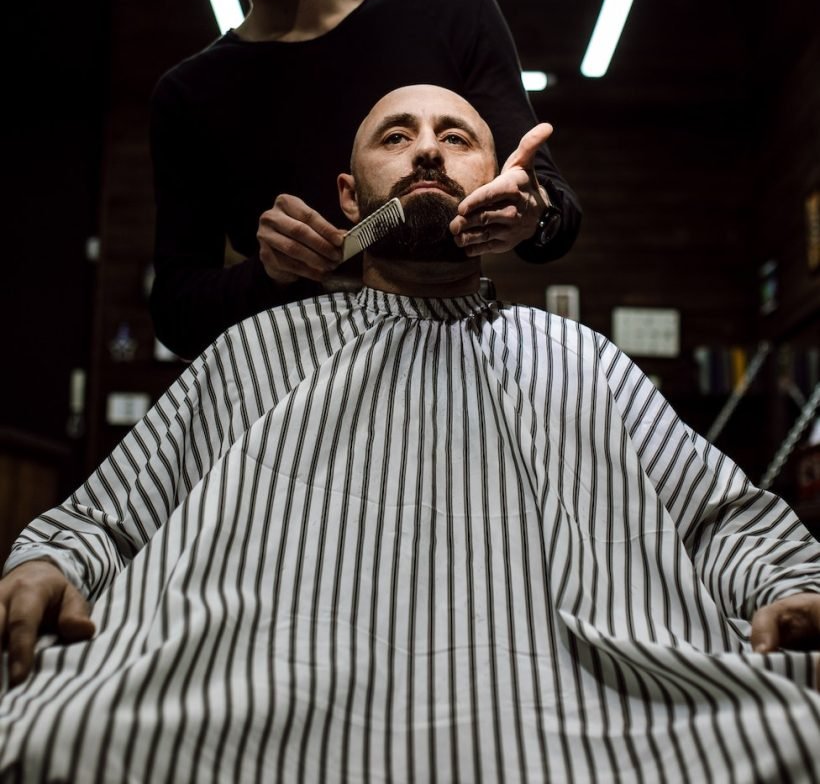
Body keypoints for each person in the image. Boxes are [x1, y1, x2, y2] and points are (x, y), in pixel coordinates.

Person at [1, 85, 818, 783]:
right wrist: (46, 563)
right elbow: (108, 518)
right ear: (350, 197)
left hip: (574, 700)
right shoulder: (256, 349)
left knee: (793, 729)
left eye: (455, 138)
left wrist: (791, 586)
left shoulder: (580, 359)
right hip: (253, 686)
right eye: (396, 137)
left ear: (501, 185)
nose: (427, 150)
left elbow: (718, 517)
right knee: (48, 731)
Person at [134, 0, 582, 360]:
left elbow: (552, 213)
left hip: (446, 357)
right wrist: (267, 274)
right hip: (294, 381)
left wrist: (532, 215)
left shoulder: (453, 15)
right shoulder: (191, 97)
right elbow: (175, 312)